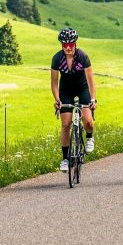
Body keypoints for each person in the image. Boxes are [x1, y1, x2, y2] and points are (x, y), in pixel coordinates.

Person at [51, 27, 96, 172]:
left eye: (70, 44)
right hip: (66, 90)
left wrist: (93, 99)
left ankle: (89, 137)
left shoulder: (82, 56)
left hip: (82, 88)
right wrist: (57, 99)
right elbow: (54, 83)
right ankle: (65, 159)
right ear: (61, 45)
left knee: (88, 120)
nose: (68, 47)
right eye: (65, 45)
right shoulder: (57, 58)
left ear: (75, 44)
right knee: (66, 124)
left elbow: (90, 80)